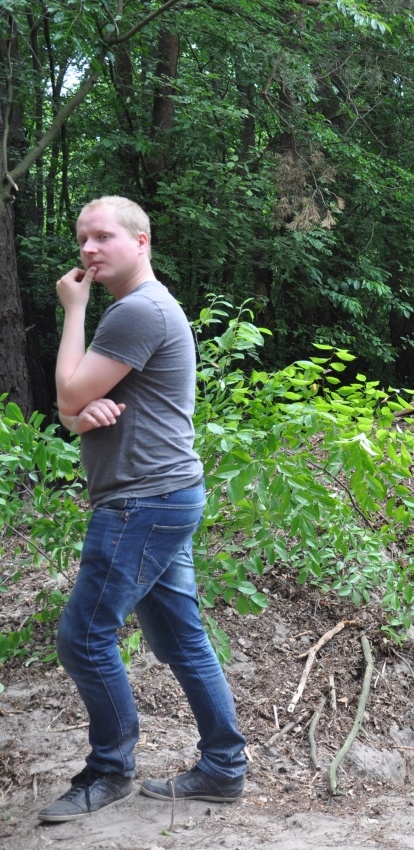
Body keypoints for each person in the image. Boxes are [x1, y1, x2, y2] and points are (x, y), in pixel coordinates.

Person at [36, 196, 247, 823]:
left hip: (142, 500)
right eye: (83, 238)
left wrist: (73, 310)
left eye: (103, 236)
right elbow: (73, 410)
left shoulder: (136, 311)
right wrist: (77, 417)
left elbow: (67, 393)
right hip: (160, 495)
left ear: (141, 241)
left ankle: (109, 771)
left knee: (83, 637)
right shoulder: (143, 309)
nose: (88, 249)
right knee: (180, 636)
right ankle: (223, 767)